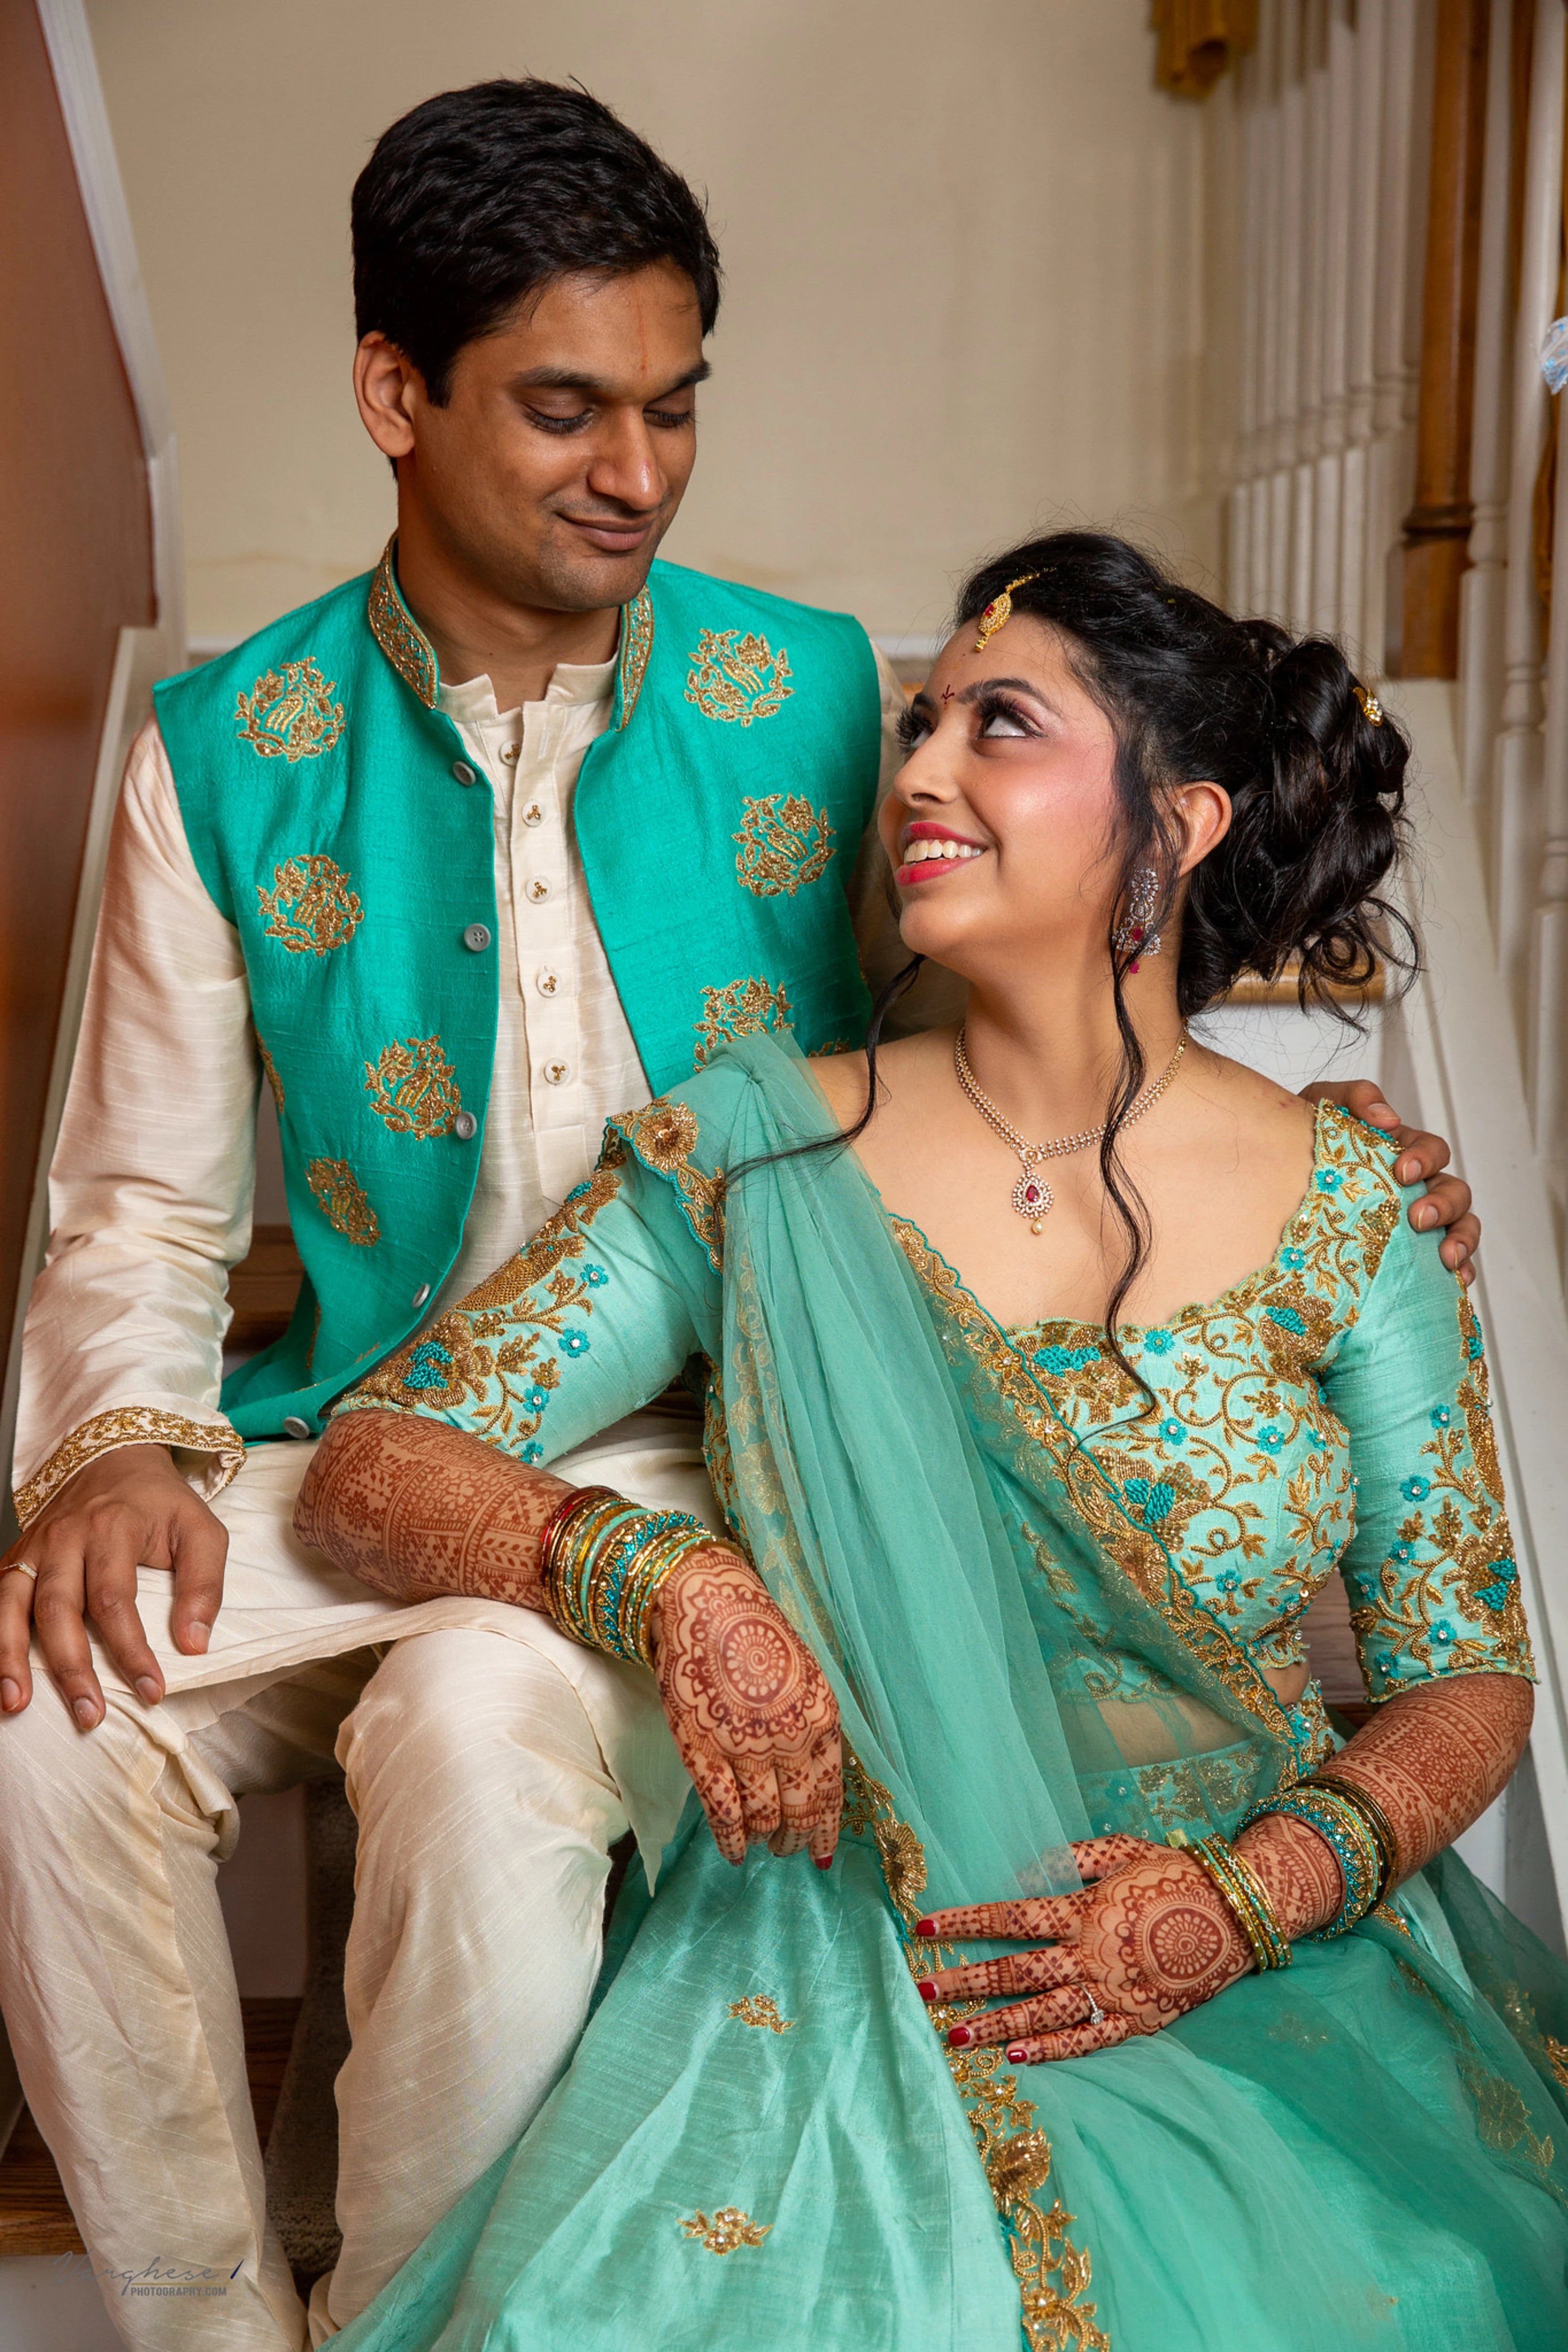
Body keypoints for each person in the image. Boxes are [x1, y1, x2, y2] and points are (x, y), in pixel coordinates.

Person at [0, 75, 1469, 2352]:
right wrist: (107, 1443)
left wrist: (1317, 1126)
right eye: (569, 410)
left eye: (674, 409)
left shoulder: (811, 702)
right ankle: (200, 2322)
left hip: (729, 1437)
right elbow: (135, 1207)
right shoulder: (226, 747)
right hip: (368, 1430)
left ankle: (415, 2310)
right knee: (33, 1711)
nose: (639, 474)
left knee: (484, 1731)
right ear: (397, 392)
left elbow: (1035, 1014)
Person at [299, 534, 1567, 2352]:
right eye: (917, 725)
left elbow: (1468, 1678)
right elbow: (379, 1452)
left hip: (1252, 1942)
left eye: (1001, 724)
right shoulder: (757, 1151)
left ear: (1180, 820)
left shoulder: (1356, 1204)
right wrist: (670, 1583)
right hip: (859, 1949)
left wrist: (1251, 1895)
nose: (915, 773)